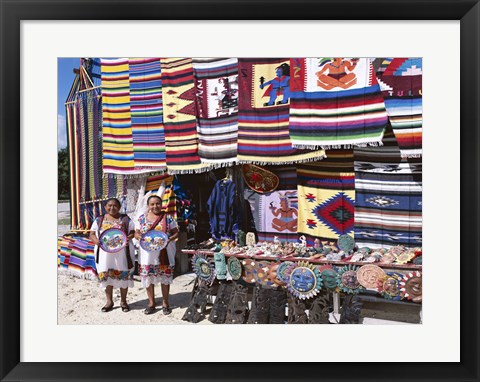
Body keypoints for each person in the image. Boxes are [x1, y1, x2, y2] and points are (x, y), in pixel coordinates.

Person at [134, 195, 179, 315]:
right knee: (148, 277)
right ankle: (151, 303)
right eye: (152, 204)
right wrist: (139, 237)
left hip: (164, 253)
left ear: (161, 204)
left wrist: (169, 239)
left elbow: (176, 232)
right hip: (147, 254)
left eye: (158, 203)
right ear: (148, 206)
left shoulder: (168, 218)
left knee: (165, 278)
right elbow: (136, 233)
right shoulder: (142, 218)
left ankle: (165, 303)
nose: (155, 206)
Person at [89, 198, 135, 313]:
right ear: (105, 207)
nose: (112, 208)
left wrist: (127, 238)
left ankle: (123, 302)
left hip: (122, 254)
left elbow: (133, 232)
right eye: (109, 205)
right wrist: (96, 241)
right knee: (106, 275)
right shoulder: (99, 219)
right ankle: (109, 301)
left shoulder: (125, 219)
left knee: (123, 274)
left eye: (115, 206)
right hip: (105, 254)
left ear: (119, 207)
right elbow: (92, 233)